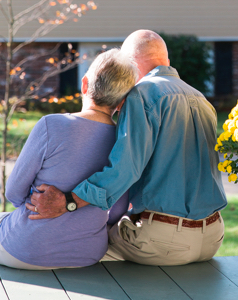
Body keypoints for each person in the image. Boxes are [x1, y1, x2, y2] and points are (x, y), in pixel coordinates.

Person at [29, 30, 227, 266]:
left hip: (163, 242)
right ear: (167, 62)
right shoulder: (201, 99)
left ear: (129, 66)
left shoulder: (142, 94)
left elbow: (125, 170)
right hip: (213, 238)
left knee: (80, 246)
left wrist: (69, 200)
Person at [0, 49, 137, 269]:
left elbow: (13, 193)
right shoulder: (123, 143)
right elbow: (117, 210)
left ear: (85, 85)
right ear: (122, 102)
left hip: (28, 248)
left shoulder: (51, 125)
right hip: (87, 254)